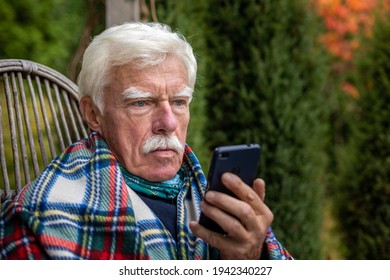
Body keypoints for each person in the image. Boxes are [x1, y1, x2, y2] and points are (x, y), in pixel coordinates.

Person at [0, 22, 292, 260]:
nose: (168, 123)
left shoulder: (213, 199)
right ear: (93, 114)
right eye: (141, 103)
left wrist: (251, 258)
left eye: (179, 102)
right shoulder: (41, 217)